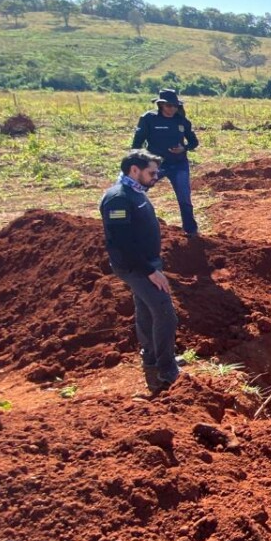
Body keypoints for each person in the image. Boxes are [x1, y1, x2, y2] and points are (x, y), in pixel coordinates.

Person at [100, 149, 180, 394]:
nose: (156, 177)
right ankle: (167, 369)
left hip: (146, 263)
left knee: (145, 309)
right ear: (134, 170)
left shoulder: (135, 192)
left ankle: (151, 357)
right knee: (165, 312)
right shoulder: (118, 199)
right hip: (136, 267)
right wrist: (149, 271)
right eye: (151, 172)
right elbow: (121, 242)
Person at [132, 89, 200, 236]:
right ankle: (133, 223)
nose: (172, 109)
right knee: (136, 190)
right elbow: (137, 143)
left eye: (175, 106)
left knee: (184, 198)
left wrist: (184, 148)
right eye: (169, 106)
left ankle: (191, 231)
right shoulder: (148, 119)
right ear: (161, 105)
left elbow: (194, 142)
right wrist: (139, 163)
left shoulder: (182, 121)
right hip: (155, 165)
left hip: (179, 164)